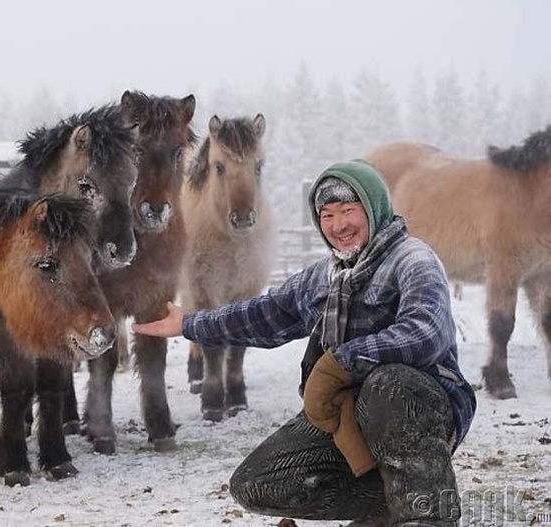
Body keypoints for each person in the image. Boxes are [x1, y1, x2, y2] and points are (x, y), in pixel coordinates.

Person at [132, 160, 476, 526]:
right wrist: (189, 323)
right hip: (348, 415)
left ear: (374, 207)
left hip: (422, 408)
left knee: (388, 384)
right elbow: (263, 315)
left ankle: (427, 516)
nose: (338, 225)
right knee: (255, 483)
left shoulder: (413, 261)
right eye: (327, 215)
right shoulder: (323, 278)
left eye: (348, 210)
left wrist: (340, 362)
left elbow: (423, 333)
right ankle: (389, 504)